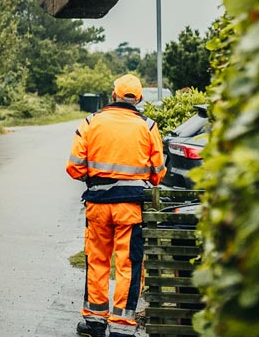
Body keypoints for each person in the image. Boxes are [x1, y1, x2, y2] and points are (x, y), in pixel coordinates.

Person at [65, 74, 166, 337]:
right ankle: (122, 327)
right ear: (140, 99)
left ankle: (95, 322)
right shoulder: (148, 126)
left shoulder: (91, 122)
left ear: (113, 96)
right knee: (128, 265)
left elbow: (74, 168)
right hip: (130, 210)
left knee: (97, 261)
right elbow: (158, 173)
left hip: (97, 206)